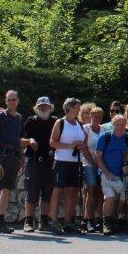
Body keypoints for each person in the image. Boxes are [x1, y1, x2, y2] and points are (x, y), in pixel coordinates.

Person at [0, 90, 28, 235]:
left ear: (18, 100)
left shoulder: (19, 118)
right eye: (9, 100)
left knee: (7, 190)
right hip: (0, 156)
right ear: (5, 101)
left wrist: (21, 158)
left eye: (14, 99)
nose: (11, 102)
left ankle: (0, 221)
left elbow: (19, 140)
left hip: (14, 157)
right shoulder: (0, 116)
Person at [49, 97, 90, 235]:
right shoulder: (60, 122)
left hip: (75, 162)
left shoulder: (79, 124)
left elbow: (84, 142)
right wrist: (70, 146)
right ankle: (54, 221)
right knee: (57, 190)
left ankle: (68, 222)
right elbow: (52, 142)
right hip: (61, 161)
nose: (79, 109)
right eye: (77, 107)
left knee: (71, 192)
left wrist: (80, 145)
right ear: (70, 108)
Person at [95, 113, 128, 235]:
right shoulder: (105, 138)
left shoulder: (127, 139)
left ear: (125, 125)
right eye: (117, 124)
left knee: (122, 199)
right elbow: (98, 157)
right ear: (112, 124)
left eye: (122, 124)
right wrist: (106, 173)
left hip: (121, 174)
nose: (120, 127)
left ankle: (114, 220)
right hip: (106, 173)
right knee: (110, 196)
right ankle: (106, 223)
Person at [22, 96, 56, 233]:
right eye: (41, 106)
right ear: (36, 108)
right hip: (33, 159)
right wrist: (30, 140)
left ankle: (44, 221)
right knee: (31, 191)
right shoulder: (31, 121)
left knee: (47, 192)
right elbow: (21, 137)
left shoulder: (55, 122)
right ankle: (28, 221)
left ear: (50, 108)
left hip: (49, 160)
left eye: (46, 106)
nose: (43, 108)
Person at [81, 105, 103, 233]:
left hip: (101, 164)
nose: (97, 119)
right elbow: (84, 148)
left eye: (99, 117)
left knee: (100, 191)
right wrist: (93, 162)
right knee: (91, 189)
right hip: (88, 163)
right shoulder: (86, 129)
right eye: (95, 117)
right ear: (91, 117)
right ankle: (89, 220)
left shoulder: (104, 129)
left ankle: (100, 219)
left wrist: (100, 163)